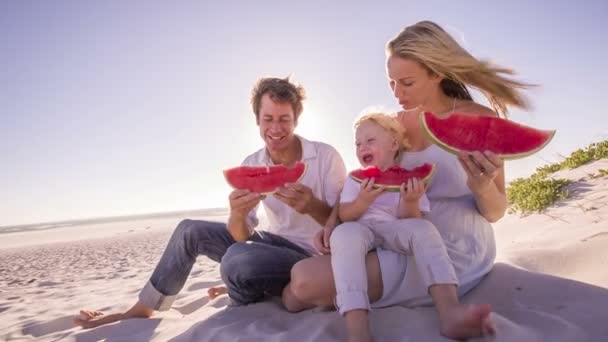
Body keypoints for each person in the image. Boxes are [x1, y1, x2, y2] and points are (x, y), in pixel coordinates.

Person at [282, 20, 531, 340]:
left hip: (455, 249)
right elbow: (368, 178)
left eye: (407, 82)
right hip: (395, 233)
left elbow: (496, 211)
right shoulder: (393, 126)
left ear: (437, 72)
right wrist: (333, 220)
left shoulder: (480, 119)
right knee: (299, 282)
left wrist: (482, 185)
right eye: (391, 83)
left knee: (302, 283)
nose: (397, 93)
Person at [74, 76, 347, 328]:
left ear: (296, 119)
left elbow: (346, 224)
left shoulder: (325, 156)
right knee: (189, 230)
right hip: (270, 248)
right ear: (257, 120)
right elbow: (241, 235)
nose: (275, 129)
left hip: (310, 259)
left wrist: (312, 206)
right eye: (268, 119)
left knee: (237, 260)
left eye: (284, 119)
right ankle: (142, 308)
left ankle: (243, 293)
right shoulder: (252, 163)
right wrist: (237, 215)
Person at [328, 112, 463, 342]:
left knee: (426, 230)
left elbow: (412, 220)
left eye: (370, 141)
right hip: (361, 230)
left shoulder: (412, 179)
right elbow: (345, 214)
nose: (362, 147)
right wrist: (362, 201)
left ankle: (450, 312)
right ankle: (357, 328)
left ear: (393, 143)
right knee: (343, 234)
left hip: (394, 229)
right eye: (358, 144)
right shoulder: (355, 179)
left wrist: (410, 201)